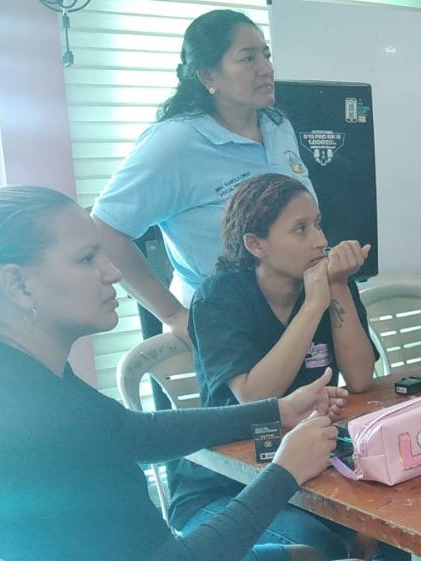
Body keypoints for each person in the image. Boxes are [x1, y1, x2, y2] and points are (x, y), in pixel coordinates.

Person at [0, 186, 393, 561]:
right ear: (16, 283)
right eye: (87, 258)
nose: (113, 273)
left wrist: (274, 411)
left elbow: (132, 432)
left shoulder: (2, 378)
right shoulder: (45, 419)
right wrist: (285, 470)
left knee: (312, 557)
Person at [172, 174, 421, 561]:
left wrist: (338, 290)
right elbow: (254, 395)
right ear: (256, 244)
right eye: (299, 229)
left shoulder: (324, 284)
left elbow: (361, 378)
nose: (320, 239)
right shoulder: (221, 297)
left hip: (310, 469)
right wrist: (313, 303)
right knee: (319, 543)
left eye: (318, 224)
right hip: (227, 488)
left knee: (387, 533)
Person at [92, 9, 316, 340]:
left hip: (291, 310)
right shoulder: (175, 143)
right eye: (247, 58)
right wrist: (172, 314)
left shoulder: (277, 125)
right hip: (222, 324)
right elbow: (104, 228)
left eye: (266, 55)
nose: (266, 68)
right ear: (209, 76)